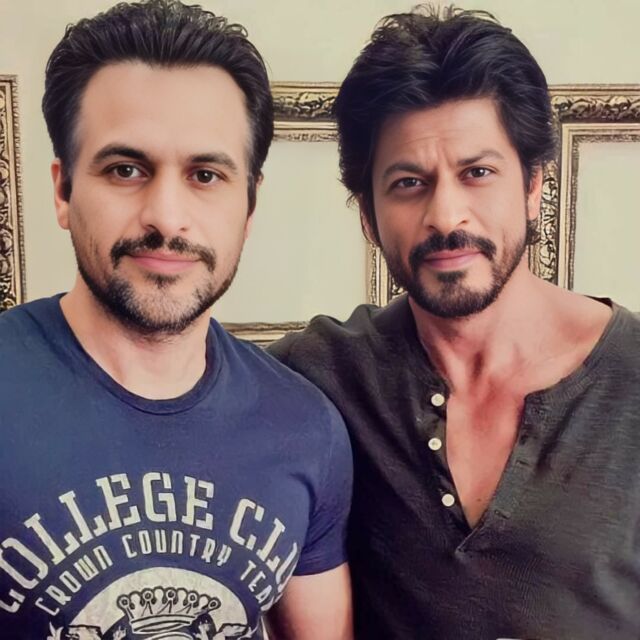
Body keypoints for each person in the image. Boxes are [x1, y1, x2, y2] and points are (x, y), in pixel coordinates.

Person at [269, 5, 640, 640]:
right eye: (408, 183)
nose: (446, 215)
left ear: (534, 186)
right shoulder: (319, 379)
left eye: (478, 173)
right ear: (368, 215)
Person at [0, 2, 353, 638]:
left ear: (250, 206)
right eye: (125, 170)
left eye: (206, 175)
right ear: (63, 190)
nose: (166, 216)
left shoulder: (307, 428)